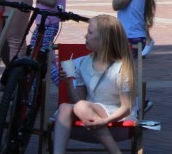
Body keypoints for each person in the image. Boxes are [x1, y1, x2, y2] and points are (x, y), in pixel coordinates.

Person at [52, 14, 136, 154]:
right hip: (88, 119)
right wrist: (68, 83)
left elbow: (126, 108)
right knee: (65, 107)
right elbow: (79, 102)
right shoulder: (80, 63)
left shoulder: (122, 67)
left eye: (90, 32)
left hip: (117, 122)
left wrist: (103, 121)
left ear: (104, 38)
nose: (85, 36)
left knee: (81, 106)